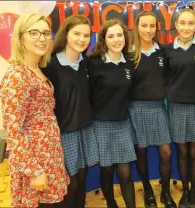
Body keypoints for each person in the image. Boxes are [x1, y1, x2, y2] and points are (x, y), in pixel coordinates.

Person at [0, 13, 69, 208]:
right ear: (20, 37)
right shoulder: (17, 76)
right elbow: (13, 131)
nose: (42, 38)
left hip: (50, 156)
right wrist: (34, 171)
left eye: (46, 33)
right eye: (34, 32)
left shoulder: (38, 68)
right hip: (34, 162)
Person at [43, 15, 99, 208]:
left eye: (86, 35)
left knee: (82, 177)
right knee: (70, 182)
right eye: (76, 34)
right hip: (63, 133)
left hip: (84, 128)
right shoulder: (50, 65)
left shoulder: (86, 63)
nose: (81, 39)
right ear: (66, 34)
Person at [165, 6, 195, 208]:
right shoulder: (168, 50)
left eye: (190, 23)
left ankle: (194, 192)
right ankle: (184, 191)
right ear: (176, 25)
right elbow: (166, 78)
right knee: (182, 152)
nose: (186, 27)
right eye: (182, 23)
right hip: (176, 107)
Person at [129, 11, 176, 208]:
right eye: (144, 26)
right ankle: (148, 190)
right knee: (141, 152)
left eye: (151, 26)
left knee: (166, 152)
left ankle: (165, 193)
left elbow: (169, 79)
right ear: (137, 28)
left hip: (158, 109)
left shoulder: (163, 52)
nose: (148, 30)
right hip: (136, 109)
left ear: (157, 28)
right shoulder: (128, 53)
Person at [88, 19, 136, 208]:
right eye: (111, 36)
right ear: (103, 39)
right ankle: (111, 204)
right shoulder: (93, 63)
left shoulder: (129, 63)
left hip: (123, 124)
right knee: (107, 171)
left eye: (119, 35)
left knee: (125, 173)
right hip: (101, 124)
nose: (116, 39)